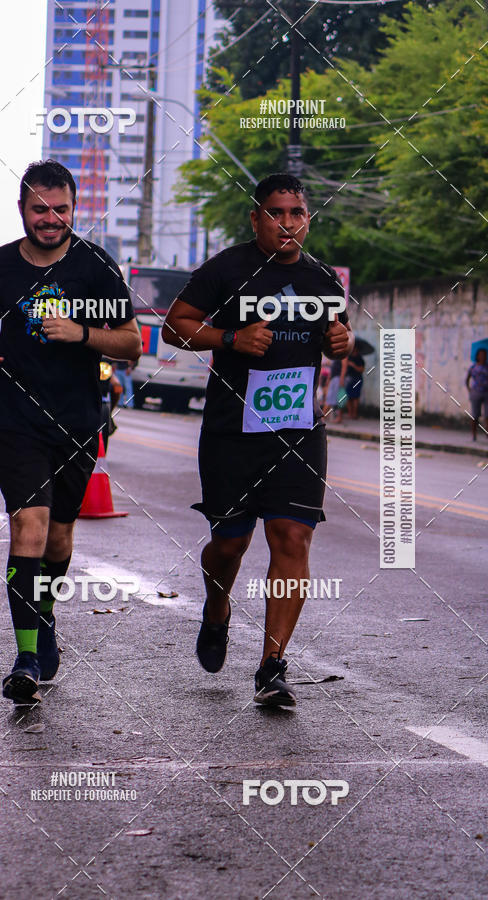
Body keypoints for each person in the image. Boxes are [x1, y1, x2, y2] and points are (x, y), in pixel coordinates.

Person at [162, 172, 354, 707]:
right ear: (257, 219)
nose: (287, 223)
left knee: (292, 538)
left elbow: (337, 337)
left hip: (297, 430)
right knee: (230, 545)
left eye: (297, 213)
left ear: (307, 220)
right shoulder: (227, 269)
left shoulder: (322, 280)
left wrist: (342, 340)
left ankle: (272, 666)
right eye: (276, 213)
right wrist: (229, 337)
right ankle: (217, 608)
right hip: (232, 431)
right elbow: (173, 326)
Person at [0, 159, 141, 704]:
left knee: (60, 537)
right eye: (40, 209)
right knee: (30, 530)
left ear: (74, 209)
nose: (50, 219)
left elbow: (132, 343)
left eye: (60, 209)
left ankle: (44, 619)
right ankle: (24, 658)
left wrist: (81, 332)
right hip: (18, 422)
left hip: (77, 422)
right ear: (22, 208)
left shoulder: (95, 267)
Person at [466, 347, 488, 440]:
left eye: (484, 355)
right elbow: (467, 379)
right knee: (475, 414)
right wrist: (470, 390)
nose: (483, 357)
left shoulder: (487, 367)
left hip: (486, 392)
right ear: (478, 356)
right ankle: (474, 435)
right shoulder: (473, 367)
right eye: (481, 355)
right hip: (476, 392)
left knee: (487, 415)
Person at [323, 357, 348, 423]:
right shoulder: (336, 356)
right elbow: (332, 368)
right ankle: (324, 416)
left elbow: (344, 366)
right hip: (334, 378)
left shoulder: (344, 355)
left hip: (338, 378)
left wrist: (342, 379)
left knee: (336, 398)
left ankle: (337, 417)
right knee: (331, 398)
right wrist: (329, 378)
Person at [345, 349, 365, 420]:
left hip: (357, 379)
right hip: (348, 379)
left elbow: (361, 370)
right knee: (348, 396)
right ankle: (350, 413)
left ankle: (354, 414)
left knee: (355, 397)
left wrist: (353, 365)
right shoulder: (348, 357)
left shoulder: (360, 359)